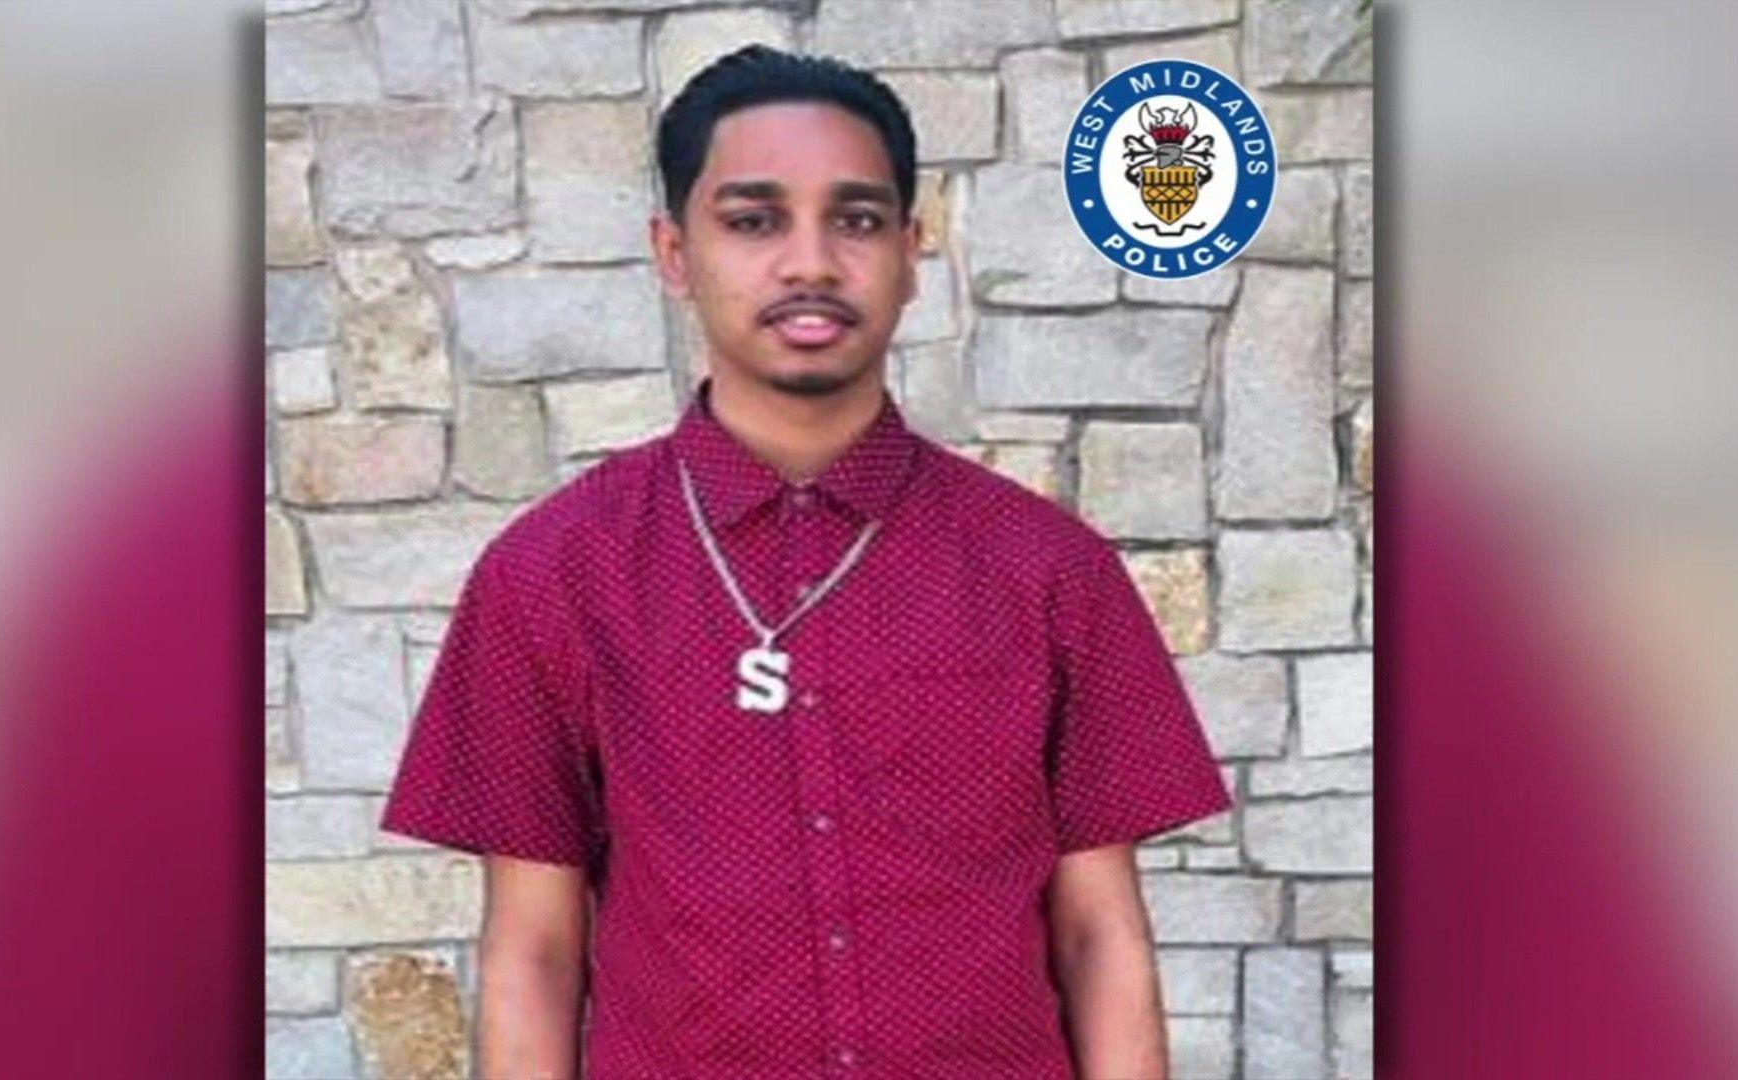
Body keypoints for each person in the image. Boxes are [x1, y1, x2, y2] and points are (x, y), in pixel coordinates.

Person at [379, 44, 1233, 1080]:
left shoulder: (1047, 569)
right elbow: (535, 951)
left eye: (858, 219)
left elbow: (1101, 938)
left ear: (913, 253)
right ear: (673, 252)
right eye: (753, 220)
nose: (812, 262)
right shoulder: (553, 574)